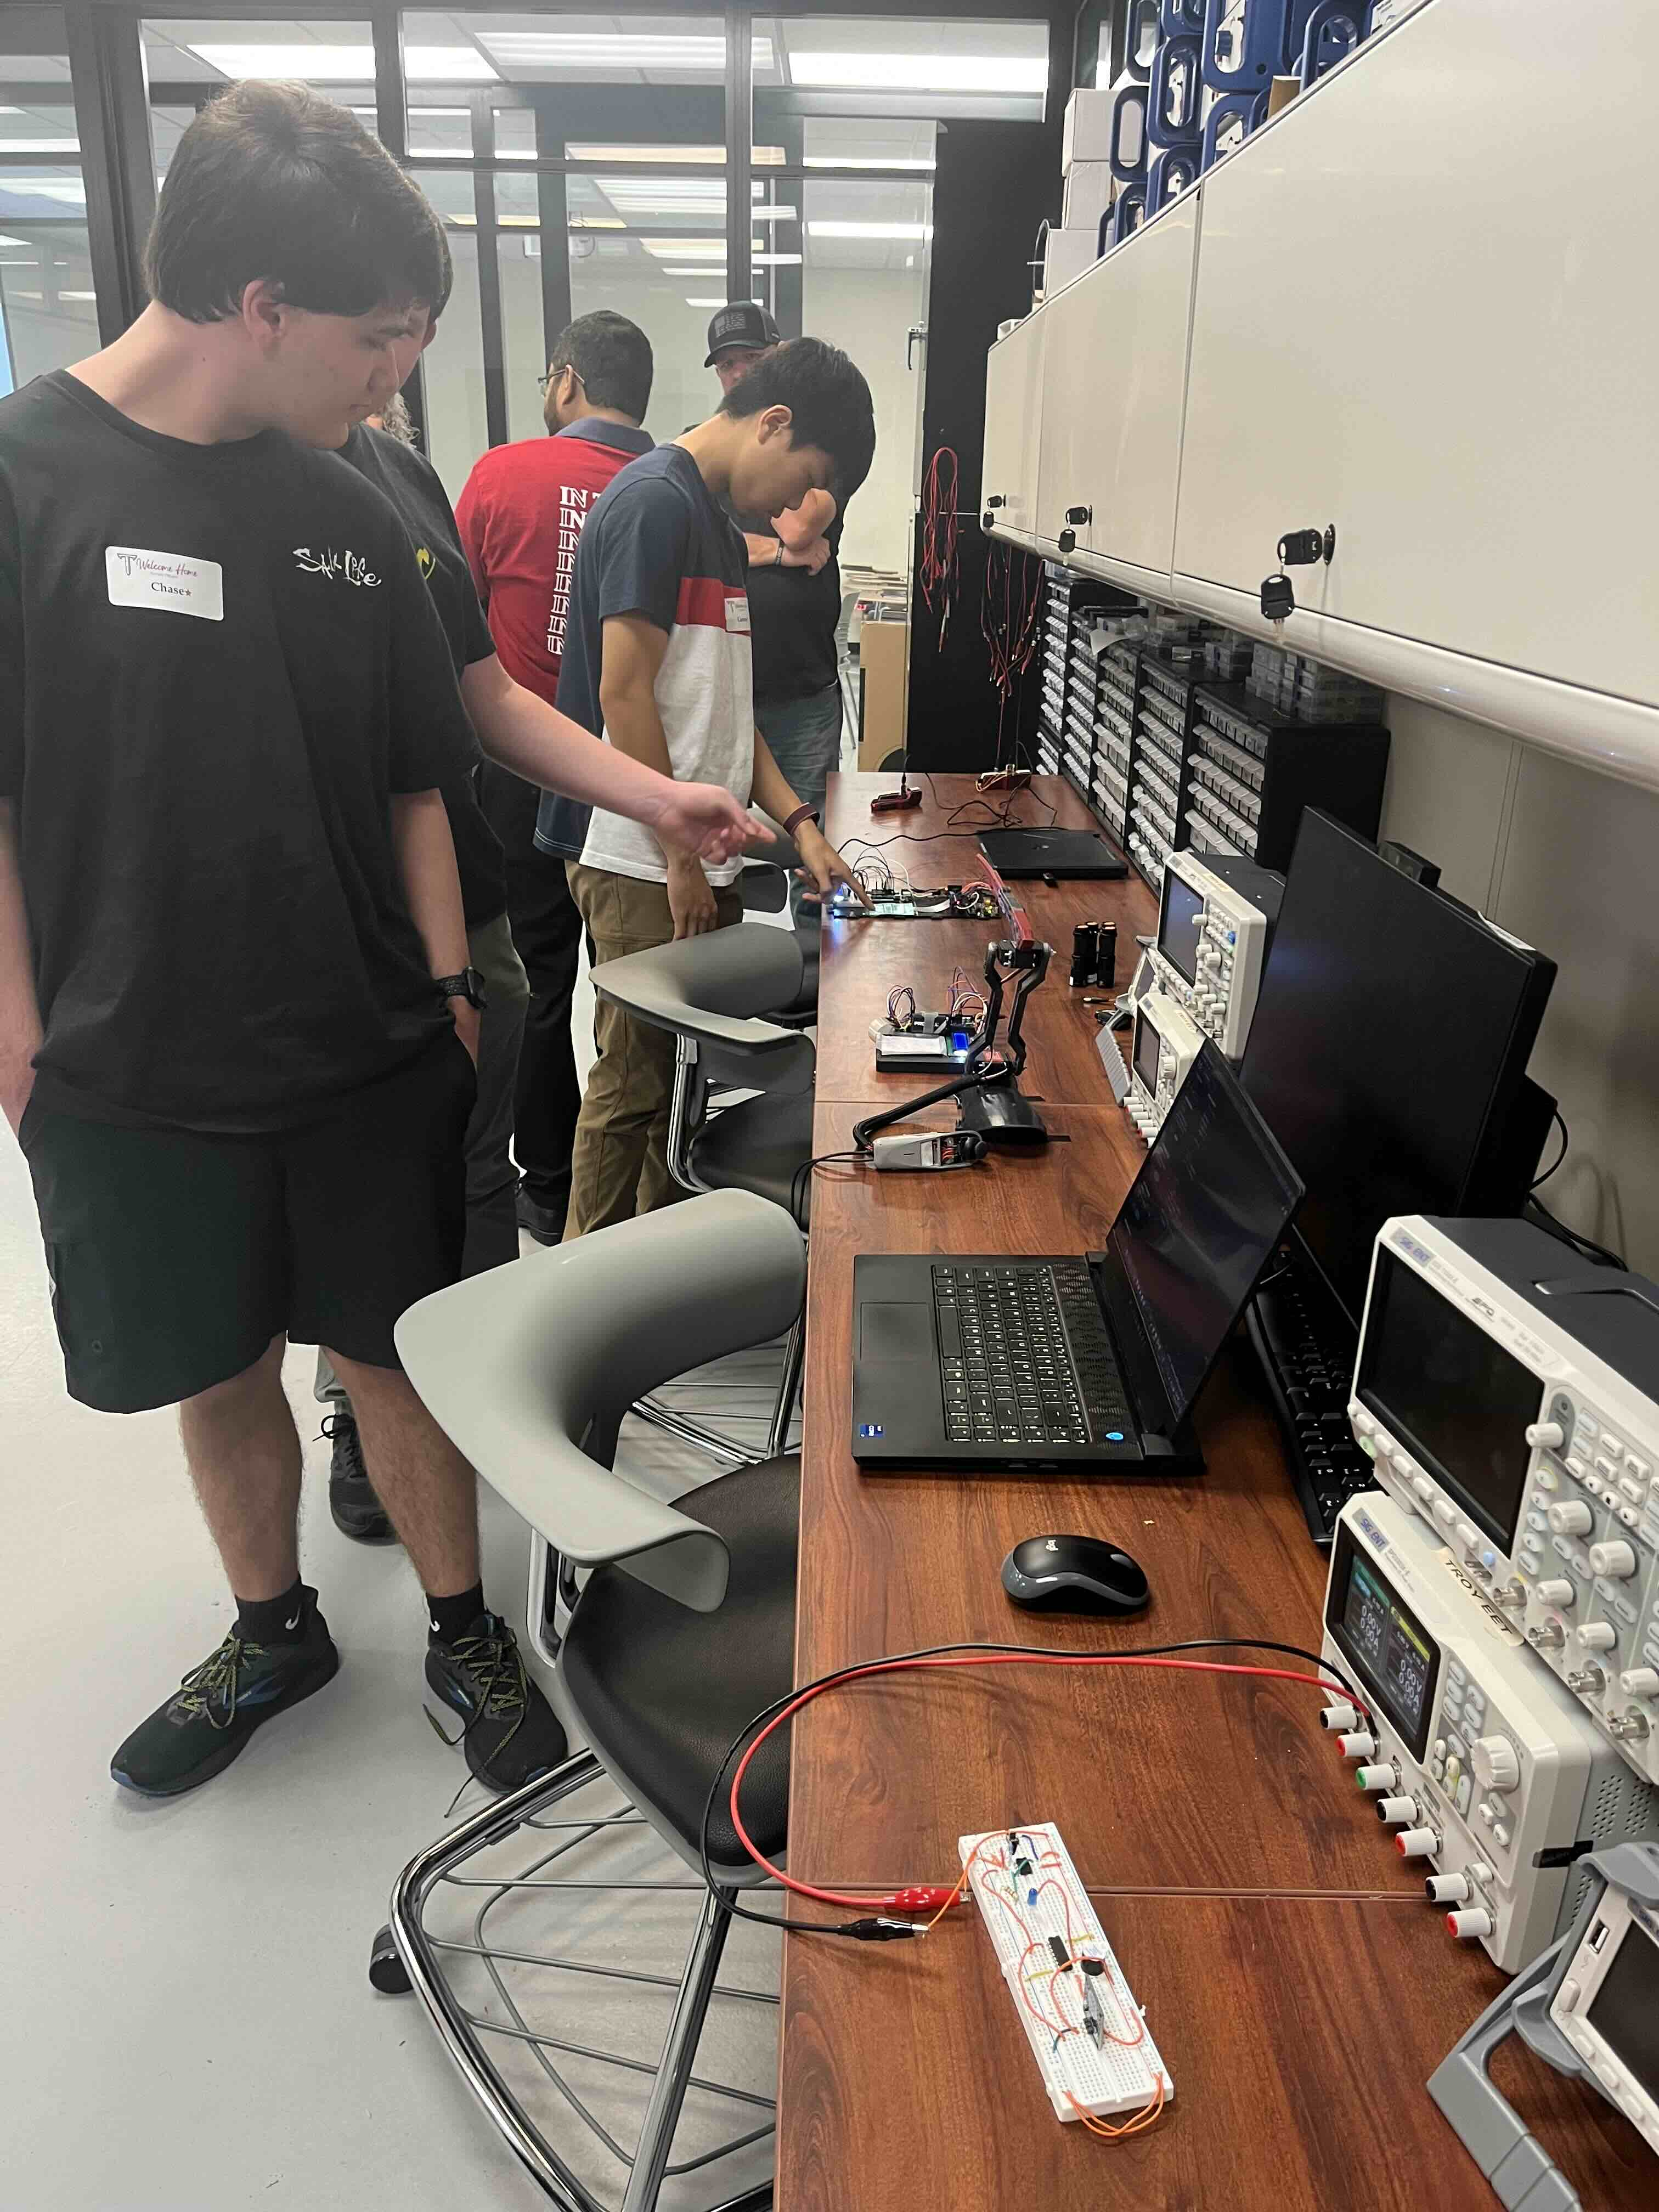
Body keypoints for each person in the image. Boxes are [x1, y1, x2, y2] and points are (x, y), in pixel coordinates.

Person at [0, 82, 757, 1802]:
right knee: (214, 1357)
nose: (395, 375)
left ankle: (460, 1623)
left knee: (390, 1343)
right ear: (260, 310)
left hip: (366, 1033)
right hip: (129, 1055)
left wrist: (447, 993)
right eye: (377, 337)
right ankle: (271, 1625)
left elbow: (435, 752)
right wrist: (21, 1042)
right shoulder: (26, 479)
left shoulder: (352, 499)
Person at [538, 337, 876, 1237]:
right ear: (772, 422)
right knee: (634, 1086)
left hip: (686, 853)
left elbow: (727, 716)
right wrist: (678, 850)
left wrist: (802, 829)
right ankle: (585, 1292)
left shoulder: (716, 528)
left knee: (677, 1085)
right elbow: (621, 691)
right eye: (804, 480)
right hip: (639, 858)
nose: (798, 506)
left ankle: (649, 1275)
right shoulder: (655, 504)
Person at [456, 311, 656, 1248]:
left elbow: (447, 624)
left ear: (567, 380)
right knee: (639, 992)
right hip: (631, 780)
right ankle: (639, 1183)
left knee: (538, 980)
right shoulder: (668, 492)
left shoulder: (502, 474)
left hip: (514, 769)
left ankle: (547, 1178)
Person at [707, 304, 847, 922]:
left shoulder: (815, 445)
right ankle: (730, 979)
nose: (739, 375)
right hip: (731, 691)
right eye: (728, 365)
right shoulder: (700, 457)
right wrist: (775, 554)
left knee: (812, 848)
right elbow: (761, 546)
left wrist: (765, 548)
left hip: (805, 691)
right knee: (723, 849)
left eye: (752, 361)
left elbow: (800, 524)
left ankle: (821, 984)